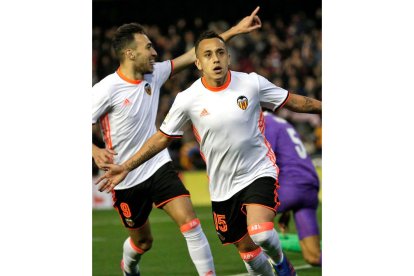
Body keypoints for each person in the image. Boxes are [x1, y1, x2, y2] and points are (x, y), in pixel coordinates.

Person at [96, 30, 322, 276]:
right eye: (208, 55)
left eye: (220, 53)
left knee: (261, 233)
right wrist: (123, 165)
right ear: (198, 63)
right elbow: (162, 137)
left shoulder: (251, 83)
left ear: (228, 58)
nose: (215, 59)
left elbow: (296, 101)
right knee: (247, 253)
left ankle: (281, 264)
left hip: (258, 171)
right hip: (221, 187)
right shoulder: (186, 99)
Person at [92, 8, 263, 276]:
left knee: (191, 223)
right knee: (143, 242)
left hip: (157, 164)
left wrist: (234, 31)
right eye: (148, 47)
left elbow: (194, 55)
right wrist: (94, 149)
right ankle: (129, 266)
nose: (154, 53)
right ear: (130, 53)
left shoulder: (154, 74)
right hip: (123, 176)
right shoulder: (106, 89)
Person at [263, 112, 322, 266]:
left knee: (247, 223)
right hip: (309, 184)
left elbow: (266, 161)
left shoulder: (264, 124)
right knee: (313, 257)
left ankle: (281, 269)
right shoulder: (282, 123)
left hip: (290, 186)